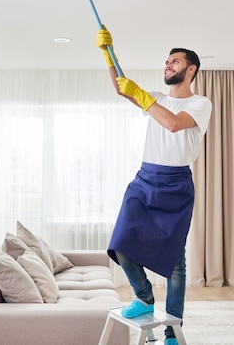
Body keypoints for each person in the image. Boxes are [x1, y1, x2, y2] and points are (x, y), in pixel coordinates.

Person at [96, 26, 212, 345]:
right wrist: (109, 52)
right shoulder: (158, 99)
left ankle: (172, 331)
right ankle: (144, 297)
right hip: (145, 179)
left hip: (176, 185)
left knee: (175, 262)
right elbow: (123, 87)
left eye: (174, 62)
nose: (167, 65)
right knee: (120, 242)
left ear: (191, 69)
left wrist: (144, 97)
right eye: (166, 62)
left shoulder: (200, 104)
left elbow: (173, 124)